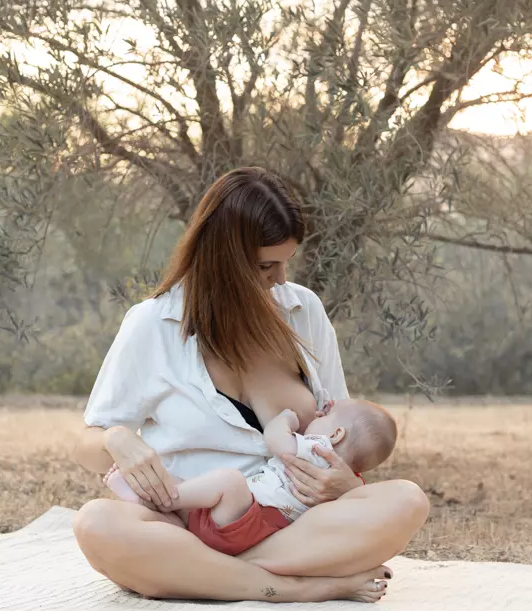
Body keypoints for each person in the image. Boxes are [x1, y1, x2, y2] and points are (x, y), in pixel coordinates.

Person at [71, 167, 430, 604]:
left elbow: (344, 421)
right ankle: (301, 586)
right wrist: (115, 439)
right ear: (223, 258)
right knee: (97, 524)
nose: (280, 279)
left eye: (285, 263)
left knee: (407, 500)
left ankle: (201, 575)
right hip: (188, 524)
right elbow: (88, 441)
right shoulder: (152, 324)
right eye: (265, 265)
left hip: (291, 523)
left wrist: (346, 487)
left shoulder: (304, 311)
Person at [103, 399, 398, 556]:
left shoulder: (316, 451)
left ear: (335, 434)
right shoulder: (351, 482)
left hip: (250, 523)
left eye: (323, 418)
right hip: (249, 530)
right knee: (202, 486)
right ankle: (155, 493)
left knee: (229, 481)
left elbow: (276, 440)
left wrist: (286, 419)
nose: (316, 418)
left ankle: (164, 500)